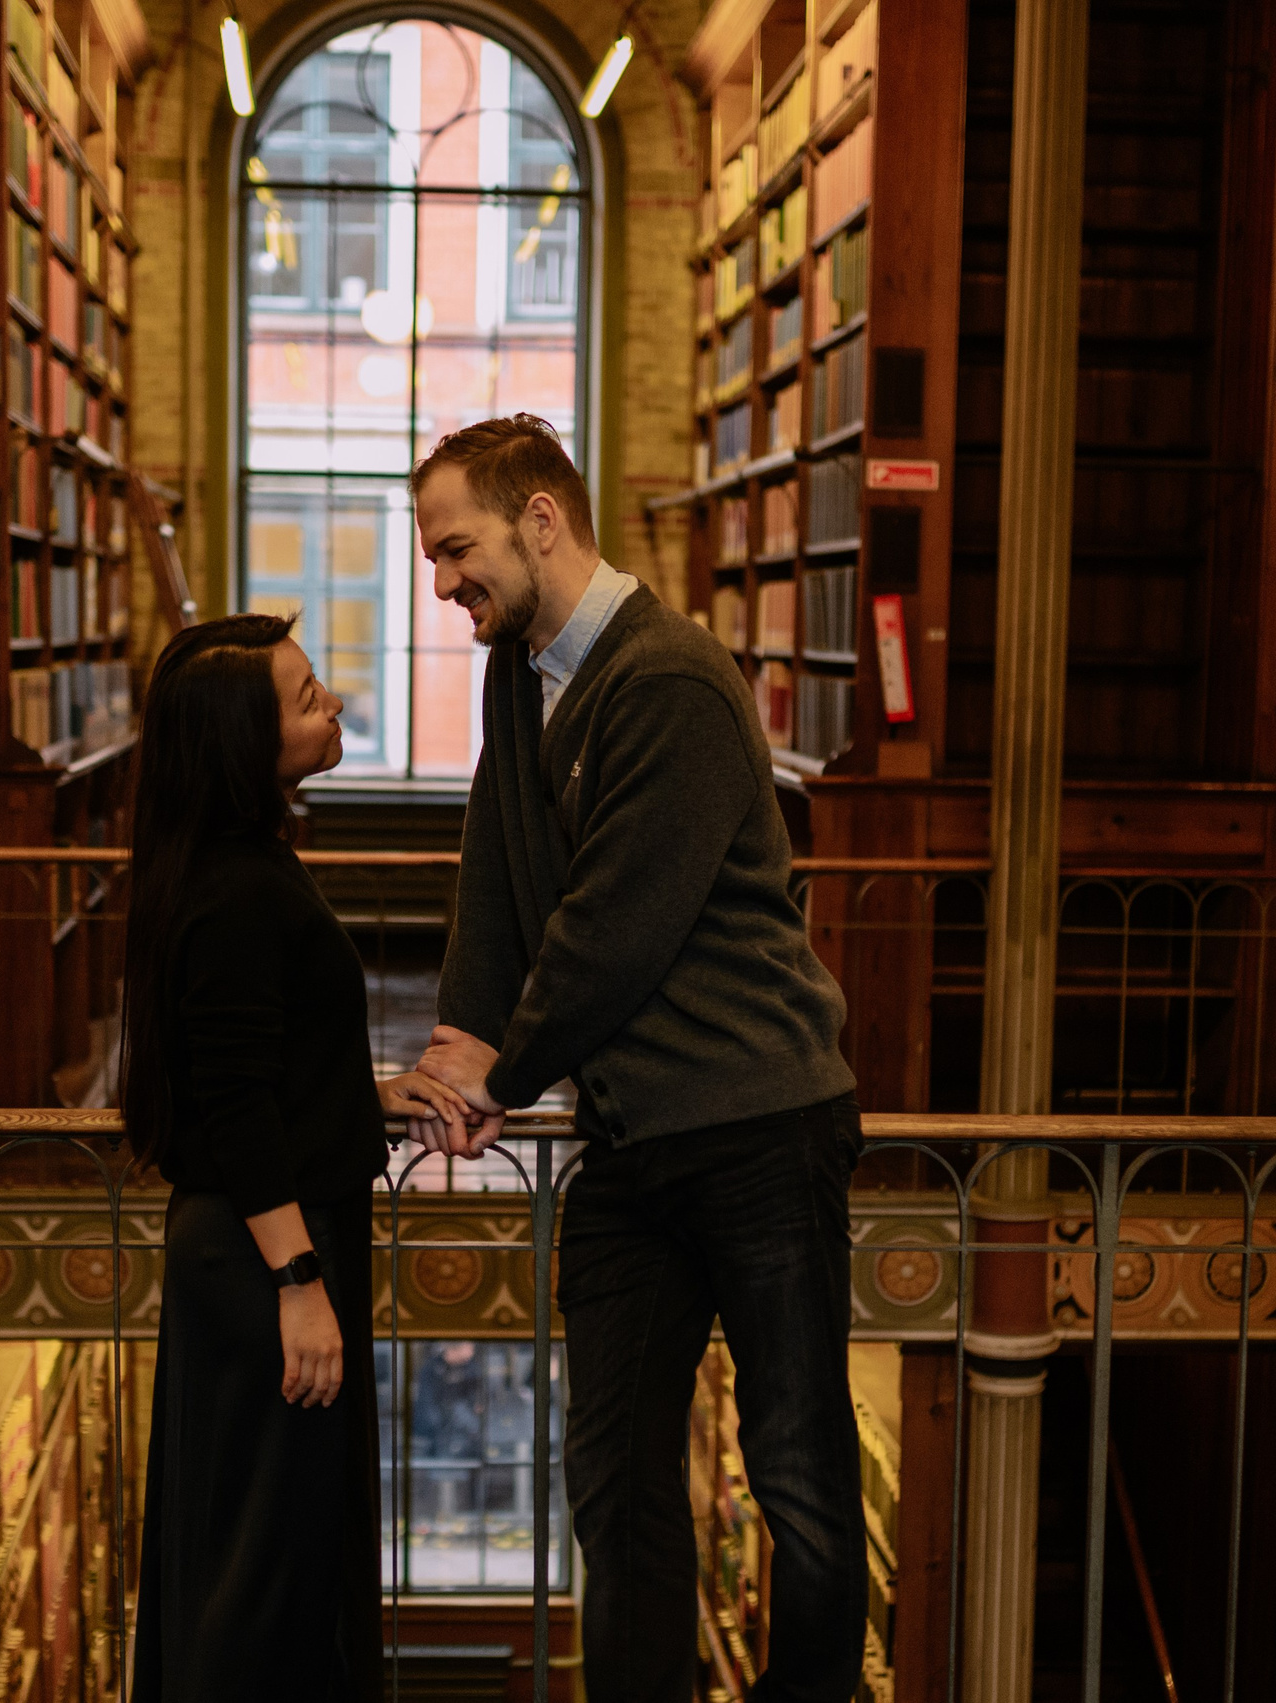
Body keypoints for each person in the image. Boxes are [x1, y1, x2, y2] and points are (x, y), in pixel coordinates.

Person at [405, 416, 867, 1703]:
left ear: (540, 518)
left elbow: (617, 926)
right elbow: (496, 867)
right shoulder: (522, 667)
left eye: (457, 550)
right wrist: (460, 1037)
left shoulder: (667, 677)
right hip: (633, 1140)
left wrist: (498, 1075)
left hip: (760, 1121)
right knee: (612, 1478)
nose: (444, 584)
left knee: (797, 1469)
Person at [121, 612, 472, 1703]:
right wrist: (301, 1279)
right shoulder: (233, 888)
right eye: (305, 692)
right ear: (241, 740)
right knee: (264, 1565)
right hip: (263, 1257)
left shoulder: (234, 860)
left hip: (262, 1243)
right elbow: (230, 1098)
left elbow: (254, 1059)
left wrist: (361, 1093)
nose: (332, 702)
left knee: (270, 1546)